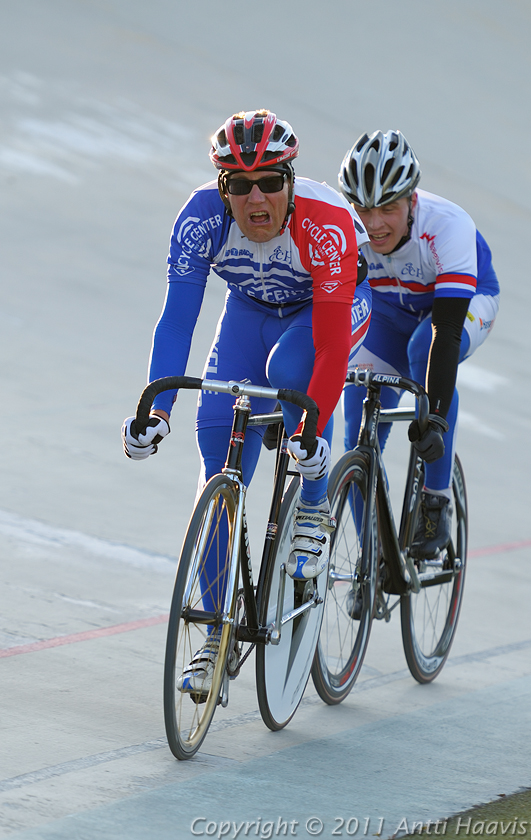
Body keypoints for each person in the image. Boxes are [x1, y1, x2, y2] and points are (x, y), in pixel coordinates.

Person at [121, 110, 372, 692]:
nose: (256, 198)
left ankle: (314, 503)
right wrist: (157, 410)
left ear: (291, 180)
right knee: (217, 460)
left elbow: (331, 348)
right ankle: (214, 634)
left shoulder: (325, 223)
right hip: (249, 314)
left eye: (269, 182)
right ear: (222, 188)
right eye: (239, 184)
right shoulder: (200, 219)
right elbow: (177, 320)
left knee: (289, 369)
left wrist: (313, 433)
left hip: (326, 313)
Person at [338, 129, 499, 564]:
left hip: (462, 305)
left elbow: (445, 333)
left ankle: (434, 501)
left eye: (388, 208)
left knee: (422, 349)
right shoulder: (343, 227)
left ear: (412, 200)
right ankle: (373, 564)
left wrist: (436, 419)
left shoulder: (447, 226)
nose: (374, 224)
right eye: (363, 210)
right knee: (357, 434)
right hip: (389, 311)